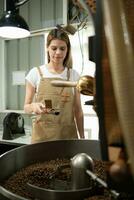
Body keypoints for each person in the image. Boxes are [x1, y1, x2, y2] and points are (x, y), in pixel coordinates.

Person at [24, 28, 84, 143]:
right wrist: (33, 106)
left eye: (62, 48)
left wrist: (82, 138)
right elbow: (26, 107)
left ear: (67, 50)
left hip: (67, 137)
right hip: (42, 138)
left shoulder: (74, 75)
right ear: (47, 48)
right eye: (54, 48)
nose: (58, 52)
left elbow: (78, 110)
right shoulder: (35, 73)